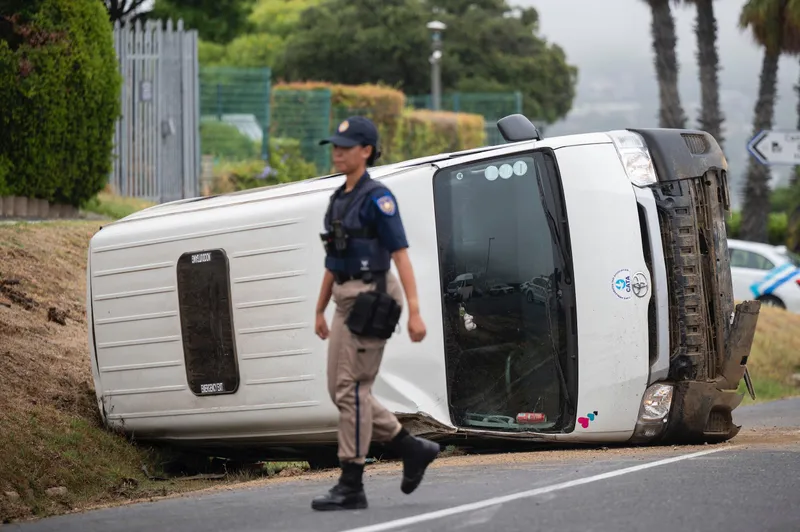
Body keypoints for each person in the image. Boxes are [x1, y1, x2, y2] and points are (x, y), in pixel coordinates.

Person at [311, 116, 441, 511]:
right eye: (334, 145)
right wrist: (319, 308)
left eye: (345, 146)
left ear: (366, 151)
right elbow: (333, 260)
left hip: (372, 298)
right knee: (342, 391)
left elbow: (400, 254)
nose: (337, 152)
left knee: (351, 391)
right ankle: (411, 447)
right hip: (344, 297)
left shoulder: (377, 198)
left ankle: (352, 483)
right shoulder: (338, 200)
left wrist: (415, 312)